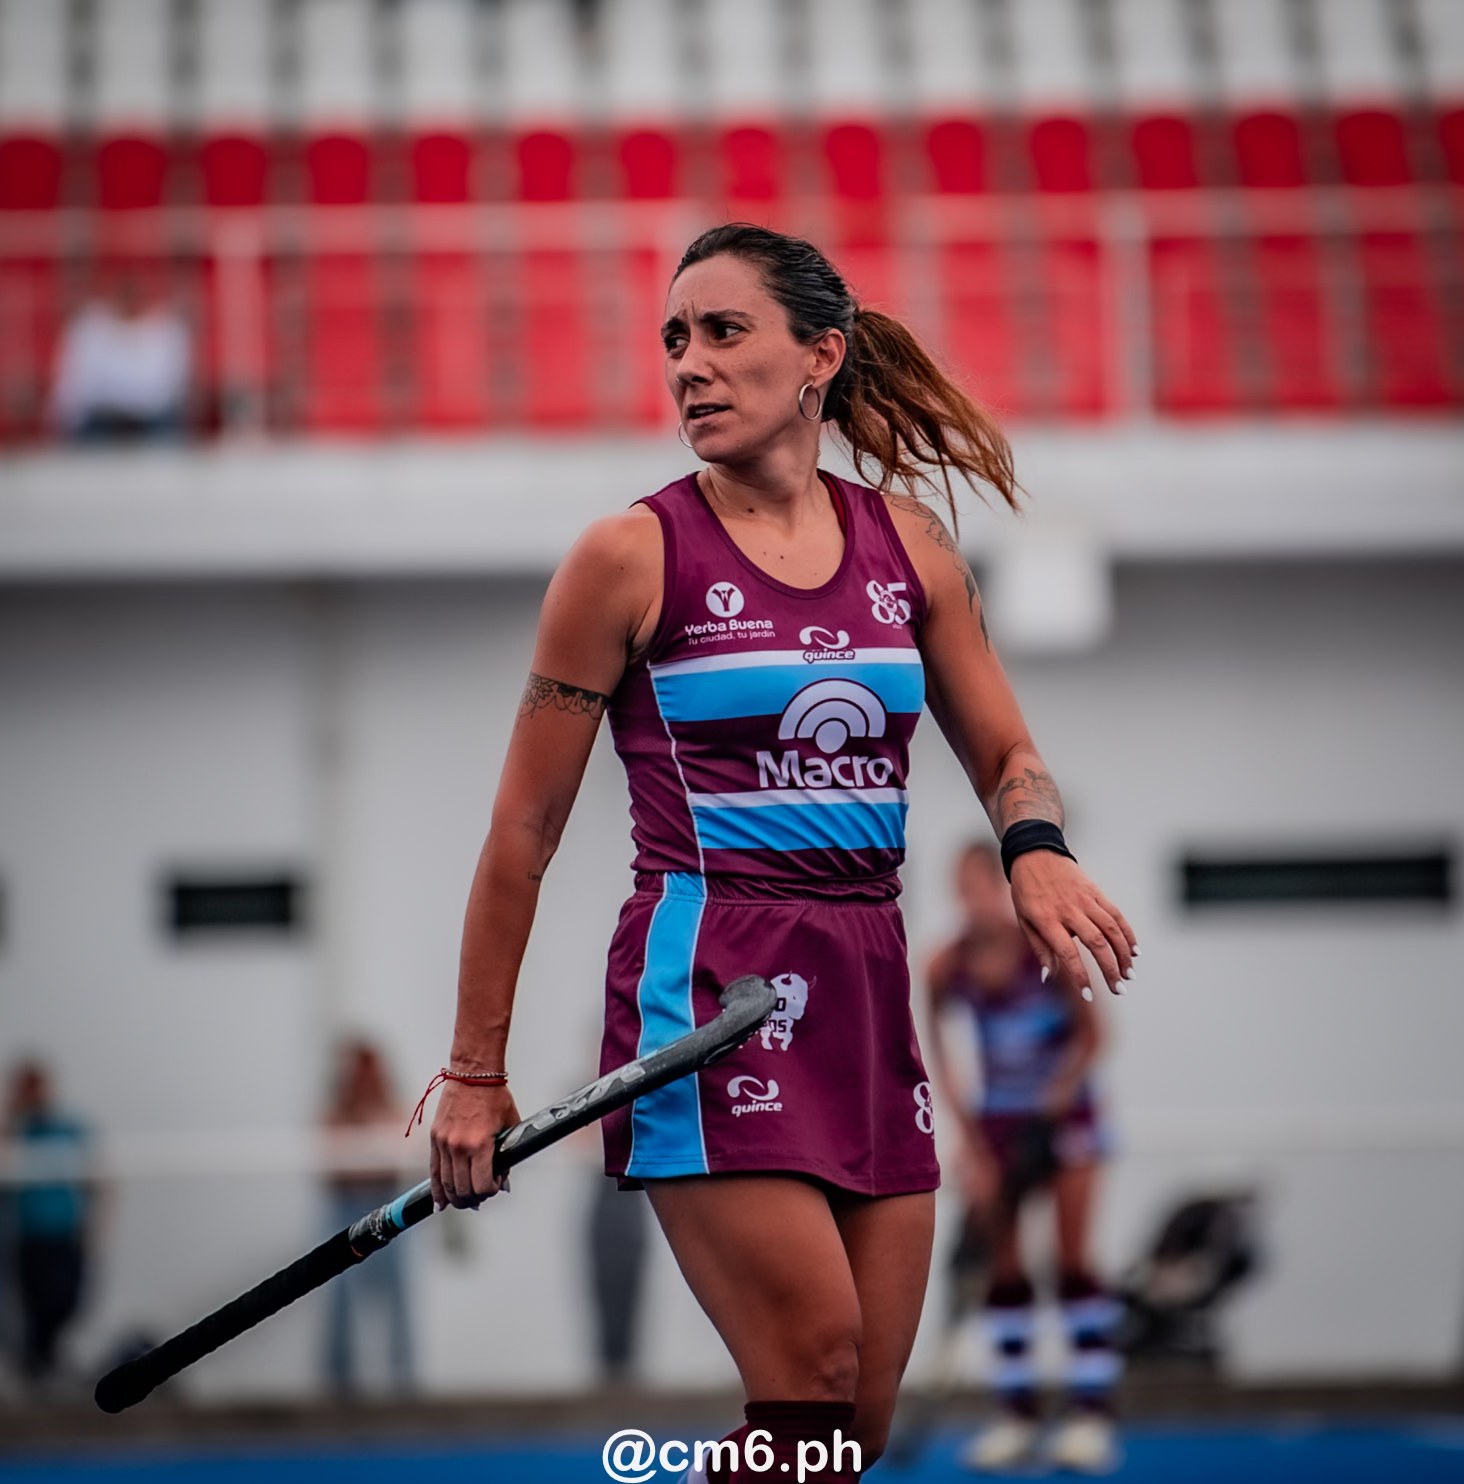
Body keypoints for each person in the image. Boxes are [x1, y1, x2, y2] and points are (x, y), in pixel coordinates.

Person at [425, 223, 1136, 1481]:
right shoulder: (628, 556)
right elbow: (521, 834)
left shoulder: (909, 545)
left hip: (866, 975)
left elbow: (1009, 751)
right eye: (674, 341)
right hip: (711, 986)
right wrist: (473, 1068)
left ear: (822, 356)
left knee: (845, 1433)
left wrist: (1035, 849)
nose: (689, 364)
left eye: (722, 331)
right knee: (809, 1370)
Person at [927, 843, 1121, 1473]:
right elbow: (943, 1061)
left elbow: (1094, 1039)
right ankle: (1016, 1413)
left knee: (1070, 1261)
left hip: (1065, 1123)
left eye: (981, 886)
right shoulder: (945, 966)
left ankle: (1090, 1413)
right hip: (1000, 1126)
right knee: (1004, 1271)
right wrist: (973, 1145)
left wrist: (1055, 1098)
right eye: (962, 889)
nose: (971, 901)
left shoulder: (1044, 948)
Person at [321, 1038, 414, 1396]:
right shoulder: (335, 1112)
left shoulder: (388, 1107)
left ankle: (402, 1381)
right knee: (340, 1300)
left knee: (398, 1300)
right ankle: (339, 1384)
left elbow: (402, 1149)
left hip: (388, 1211)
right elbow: (330, 1164)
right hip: (345, 1211)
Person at [4, 1059, 95, 1391]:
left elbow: (96, 1178)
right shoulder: (18, 1132)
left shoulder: (70, 1128)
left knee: (70, 1299)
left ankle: (45, 1355)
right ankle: (37, 1367)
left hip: (67, 1232)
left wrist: (96, 1228)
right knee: (34, 1305)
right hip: (30, 1236)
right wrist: (13, 1114)